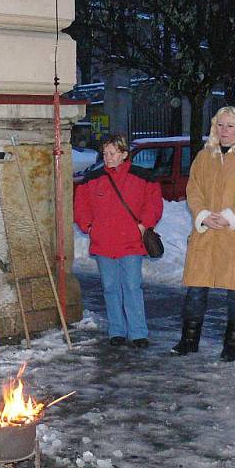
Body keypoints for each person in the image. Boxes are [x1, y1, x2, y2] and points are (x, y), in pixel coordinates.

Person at [170, 106, 235, 362]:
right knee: (196, 290)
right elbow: (194, 189)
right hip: (207, 234)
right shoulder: (205, 156)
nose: (224, 131)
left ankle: (232, 344)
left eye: (230, 126)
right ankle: (189, 340)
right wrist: (202, 214)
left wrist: (229, 217)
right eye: (220, 125)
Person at [74, 134, 163, 348]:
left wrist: (143, 225)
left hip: (130, 242)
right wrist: (89, 227)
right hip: (104, 243)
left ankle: (138, 332)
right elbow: (80, 207)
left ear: (124, 154)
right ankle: (117, 331)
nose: (107, 158)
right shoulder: (92, 179)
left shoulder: (142, 177)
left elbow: (153, 204)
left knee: (132, 287)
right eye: (105, 153)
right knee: (111, 288)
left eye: (112, 153)